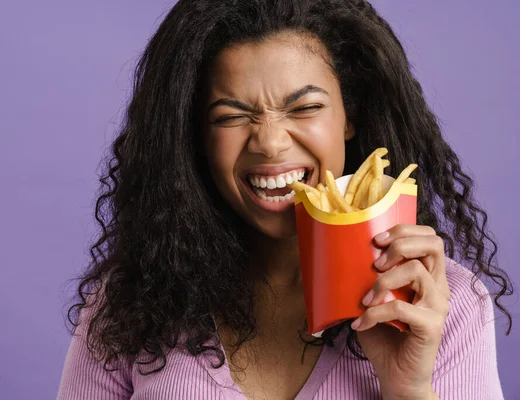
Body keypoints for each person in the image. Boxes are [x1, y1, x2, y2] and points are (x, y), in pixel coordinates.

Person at [57, 1, 514, 399]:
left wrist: (409, 390)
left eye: (305, 108)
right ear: (194, 136)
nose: (271, 143)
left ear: (349, 117)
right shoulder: (131, 304)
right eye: (232, 116)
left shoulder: (441, 304)